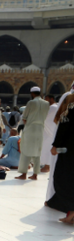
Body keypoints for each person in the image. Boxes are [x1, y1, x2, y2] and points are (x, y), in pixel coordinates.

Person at [46, 94, 74, 224]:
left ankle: (72, 210)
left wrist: (55, 145)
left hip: (68, 152)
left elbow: (63, 129)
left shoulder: (70, 111)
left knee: (61, 179)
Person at [15, 86, 49, 181]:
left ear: (32, 93)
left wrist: (28, 125)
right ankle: (35, 174)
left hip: (30, 128)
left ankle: (23, 174)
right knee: (37, 152)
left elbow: (24, 117)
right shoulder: (46, 103)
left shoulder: (31, 102)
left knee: (26, 150)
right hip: (40, 129)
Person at [40, 94, 58, 173]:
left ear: (52, 99)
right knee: (46, 148)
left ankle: (47, 166)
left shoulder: (53, 107)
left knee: (47, 148)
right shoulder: (55, 107)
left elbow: (43, 116)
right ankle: (47, 166)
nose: (46, 100)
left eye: (47, 99)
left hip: (50, 132)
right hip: (50, 130)